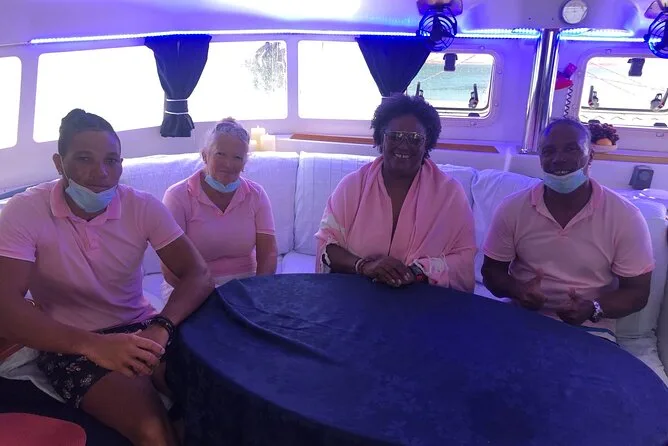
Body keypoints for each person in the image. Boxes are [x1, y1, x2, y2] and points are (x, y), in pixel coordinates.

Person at [0, 109, 214, 446]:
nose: (100, 172)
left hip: (142, 327)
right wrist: (94, 346)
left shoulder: (142, 207)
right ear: (59, 163)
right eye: (84, 158)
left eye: (111, 160)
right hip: (70, 342)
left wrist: (161, 327)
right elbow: (6, 306)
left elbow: (198, 274)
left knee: (210, 399)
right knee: (153, 431)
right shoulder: (25, 211)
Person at [481, 118, 654, 343]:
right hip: (522, 318)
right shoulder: (512, 208)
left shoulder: (625, 216)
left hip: (589, 328)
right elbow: (491, 272)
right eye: (548, 151)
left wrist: (592, 308)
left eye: (571, 149)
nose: (558, 158)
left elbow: (637, 292)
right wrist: (518, 290)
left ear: (590, 156)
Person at [315, 94, 476, 292]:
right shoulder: (352, 186)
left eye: (414, 139)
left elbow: (463, 260)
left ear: (427, 143)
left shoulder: (451, 195)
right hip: (357, 297)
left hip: (422, 300)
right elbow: (326, 244)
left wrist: (416, 272)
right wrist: (364, 266)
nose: (404, 145)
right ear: (381, 138)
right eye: (395, 136)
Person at [161, 118, 277, 298]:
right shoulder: (177, 196)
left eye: (237, 157)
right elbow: (170, 267)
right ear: (205, 156)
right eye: (220, 154)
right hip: (191, 287)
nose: (228, 164)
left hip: (246, 285)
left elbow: (268, 253)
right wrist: (210, 297)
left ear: (244, 163)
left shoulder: (256, 195)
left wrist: (258, 293)